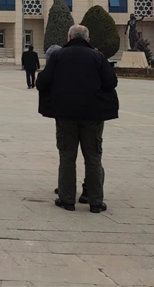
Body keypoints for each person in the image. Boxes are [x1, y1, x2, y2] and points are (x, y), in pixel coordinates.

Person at [36, 25, 118, 213]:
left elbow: (42, 83)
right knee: (93, 157)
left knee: (67, 157)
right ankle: (95, 201)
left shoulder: (58, 56)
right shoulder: (98, 57)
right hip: (93, 115)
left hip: (65, 114)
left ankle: (66, 199)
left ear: (69, 37)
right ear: (87, 39)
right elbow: (111, 82)